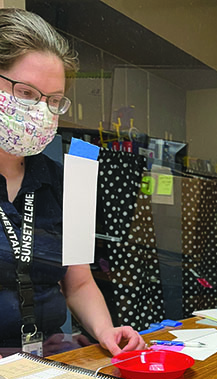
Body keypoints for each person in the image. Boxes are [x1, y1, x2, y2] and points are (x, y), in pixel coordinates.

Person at [0, 8, 145, 356]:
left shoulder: (67, 182)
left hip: (48, 363)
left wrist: (106, 331)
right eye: (27, 94)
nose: (41, 112)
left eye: (53, 101)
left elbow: (78, 283)